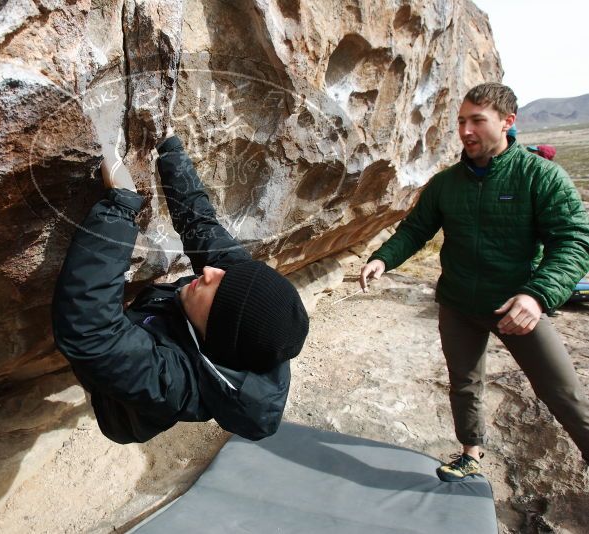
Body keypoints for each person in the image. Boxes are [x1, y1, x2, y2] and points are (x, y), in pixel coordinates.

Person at [359, 83, 589, 481]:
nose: (466, 130)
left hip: (517, 307)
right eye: (461, 121)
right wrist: (383, 258)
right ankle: (470, 453)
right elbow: (416, 230)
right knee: (464, 385)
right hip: (459, 305)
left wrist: (537, 297)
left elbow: (574, 241)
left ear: (507, 122)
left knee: (564, 393)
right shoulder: (447, 183)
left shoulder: (540, 176)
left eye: (477, 121)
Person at [51, 126, 309, 444]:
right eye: (230, 274)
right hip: (169, 323)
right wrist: (170, 147)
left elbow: (90, 332)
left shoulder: (173, 384)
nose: (213, 271)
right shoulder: (239, 300)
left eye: (221, 289)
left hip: (117, 407)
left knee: (98, 362)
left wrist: (120, 205)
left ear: (215, 333)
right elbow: (200, 222)